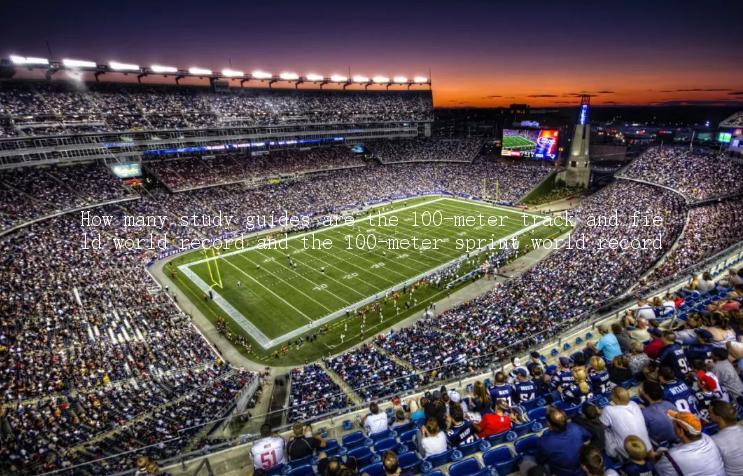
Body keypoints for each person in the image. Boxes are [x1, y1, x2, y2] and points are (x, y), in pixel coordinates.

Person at [653, 410, 725, 476]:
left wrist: (656, 459)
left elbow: (660, 472)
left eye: (674, 424)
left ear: (680, 431)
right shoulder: (707, 438)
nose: (673, 426)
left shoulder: (672, 456)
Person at [534, 406, 592, 476]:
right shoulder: (575, 427)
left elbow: (539, 461)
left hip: (561, 472)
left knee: (527, 460)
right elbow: (588, 437)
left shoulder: (544, 442)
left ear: (549, 424)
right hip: (581, 469)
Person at [600, 387, 652, 460]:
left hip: (628, 452)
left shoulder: (608, 409)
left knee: (605, 431)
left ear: (616, 398)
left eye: (612, 395)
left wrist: (599, 413)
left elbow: (601, 426)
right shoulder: (634, 404)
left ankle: (614, 455)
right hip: (646, 448)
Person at [709, 400, 743, 476]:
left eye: (710, 412)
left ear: (718, 417)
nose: (708, 415)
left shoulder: (714, 440)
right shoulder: (741, 429)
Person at [638, 381, 678, 446]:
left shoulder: (645, 413)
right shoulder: (669, 404)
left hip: (663, 447)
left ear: (646, 394)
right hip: (680, 440)